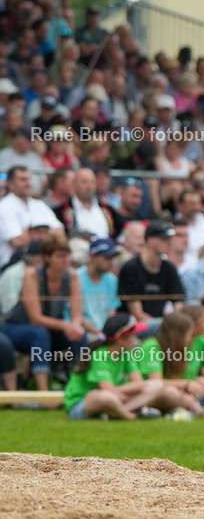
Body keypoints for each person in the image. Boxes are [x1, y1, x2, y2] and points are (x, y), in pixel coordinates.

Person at [2, 233, 85, 389]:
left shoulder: (73, 276)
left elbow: (77, 314)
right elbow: (35, 318)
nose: (66, 260)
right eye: (60, 256)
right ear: (47, 258)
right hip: (17, 327)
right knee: (40, 333)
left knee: (80, 334)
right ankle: (43, 392)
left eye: (67, 255)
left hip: (51, 328)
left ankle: (78, 385)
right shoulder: (32, 275)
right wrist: (67, 325)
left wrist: (74, 325)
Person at [63, 313, 180, 420]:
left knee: (156, 385)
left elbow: (138, 384)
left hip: (110, 394)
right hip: (81, 403)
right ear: (120, 338)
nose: (135, 339)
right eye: (132, 335)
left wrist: (117, 391)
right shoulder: (101, 355)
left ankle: (118, 412)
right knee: (106, 397)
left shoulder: (126, 353)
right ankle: (131, 415)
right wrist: (127, 395)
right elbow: (107, 390)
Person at [117, 221, 185, 336]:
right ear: (150, 241)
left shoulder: (169, 268)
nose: (169, 243)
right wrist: (167, 326)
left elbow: (178, 303)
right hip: (133, 327)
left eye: (170, 239)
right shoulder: (131, 268)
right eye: (164, 239)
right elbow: (137, 314)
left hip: (160, 323)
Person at [0, 165, 61, 269]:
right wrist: (47, 234)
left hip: (45, 263)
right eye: (23, 180)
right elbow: (17, 241)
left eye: (29, 179)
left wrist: (29, 234)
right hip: (14, 265)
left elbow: (60, 234)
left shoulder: (39, 205)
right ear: (10, 184)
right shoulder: (4, 207)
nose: (28, 183)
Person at [78, 237, 121, 339]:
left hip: (105, 332)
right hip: (84, 331)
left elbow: (112, 311)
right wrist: (99, 332)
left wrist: (109, 331)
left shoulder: (112, 279)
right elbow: (75, 316)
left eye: (112, 258)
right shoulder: (77, 278)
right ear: (93, 257)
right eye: (107, 258)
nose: (111, 262)